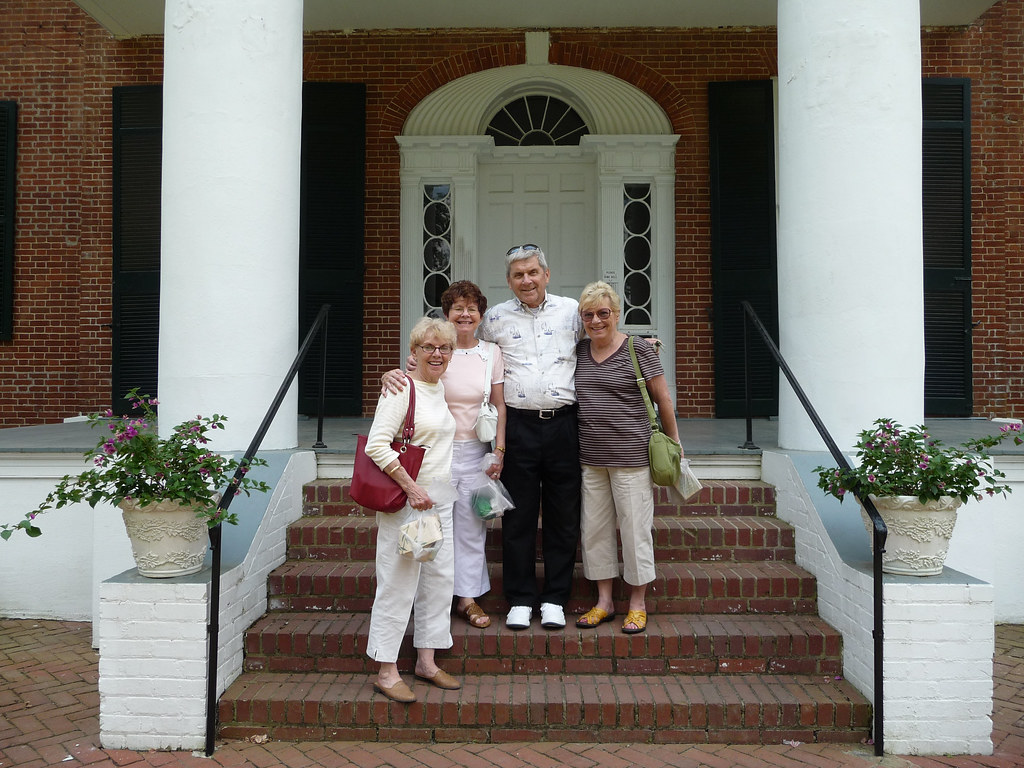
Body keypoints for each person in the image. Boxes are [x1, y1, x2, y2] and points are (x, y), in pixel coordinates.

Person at [383, 281, 507, 629]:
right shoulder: (434, 352)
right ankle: (428, 598)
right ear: (447, 314)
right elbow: (407, 388)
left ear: (481, 314)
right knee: (429, 525)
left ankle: (467, 598)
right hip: (434, 455)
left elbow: (500, 405)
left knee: (471, 529)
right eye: (458, 309)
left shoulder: (491, 354)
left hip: (475, 454)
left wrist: (499, 451)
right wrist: (389, 374)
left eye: (472, 308)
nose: (465, 315)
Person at [477, 244, 583, 632]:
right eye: (518, 275)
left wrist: (641, 347)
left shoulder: (573, 311)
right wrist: (410, 364)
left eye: (533, 272)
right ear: (509, 281)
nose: (527, 280)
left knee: (563, 515)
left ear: (546, 275)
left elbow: (605, 337)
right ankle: (520, 599)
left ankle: (555, 598)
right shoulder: (494, 318)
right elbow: (465, 350)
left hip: (564, 425)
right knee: (517, 516)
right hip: (517, 426)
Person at [572, 281, 681, 635]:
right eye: (588, 315)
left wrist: (674, 442)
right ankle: (604, 601)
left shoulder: (638, 349)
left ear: (617, 314)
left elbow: (663, 399)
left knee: (635, 532)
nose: (596, 321)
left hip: (632, 457)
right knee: (595, 531)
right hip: (591, 458)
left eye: (603, 313)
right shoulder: (579, 350)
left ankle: (637, 603)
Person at [364, 317, 460, 703]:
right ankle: (386, 670)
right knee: (398, 583)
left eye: (444, 348)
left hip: (438, 501)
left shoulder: (439, 387)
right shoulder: (401, 388)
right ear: (414, 351)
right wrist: (411, 487)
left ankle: (427, 662)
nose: (437, 354)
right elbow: (376, 444)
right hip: (408, 503)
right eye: (428, 347)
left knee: (438, 582)